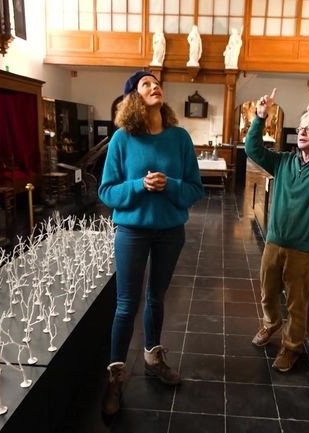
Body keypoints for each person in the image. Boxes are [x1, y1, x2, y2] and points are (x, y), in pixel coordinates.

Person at [98, 70, 204, 415]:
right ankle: (115, 377)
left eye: (157, 82)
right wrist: (138, 186)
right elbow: (107, 192)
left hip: (170, 232)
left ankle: (152, 359)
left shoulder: (180, 138)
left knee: (156, 298)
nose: (155, 85)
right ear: (133, 97)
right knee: (127, 305)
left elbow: (194, 189)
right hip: (132, 232)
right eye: (145, 83)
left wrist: (170, 184)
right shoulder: (122, 140)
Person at [246, 89, 309, 372]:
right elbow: (253, 150)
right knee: (268, 292)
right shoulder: (284, 162)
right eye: (300, 128)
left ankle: (291, 348)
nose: (302, 132)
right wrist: (260, 117)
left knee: (297, 302)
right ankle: (270, 324)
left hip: (304, 249)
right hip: (274, 242)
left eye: (308, 129)